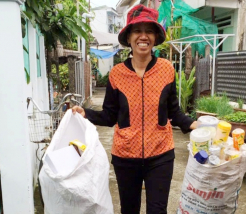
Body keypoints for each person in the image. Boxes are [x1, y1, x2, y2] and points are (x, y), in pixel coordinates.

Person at [72, 4, 198, 214]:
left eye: (149, 31)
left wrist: (197, 124)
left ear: (155, 37)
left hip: (160, 154)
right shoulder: (117, 74)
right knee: (129, 210)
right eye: (137, 30)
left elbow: (174, 112)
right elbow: (110, 115)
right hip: (125, 156)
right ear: (129, 37)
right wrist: (87, 114)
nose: (144, 36)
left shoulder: (166, 69)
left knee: (157, 210)